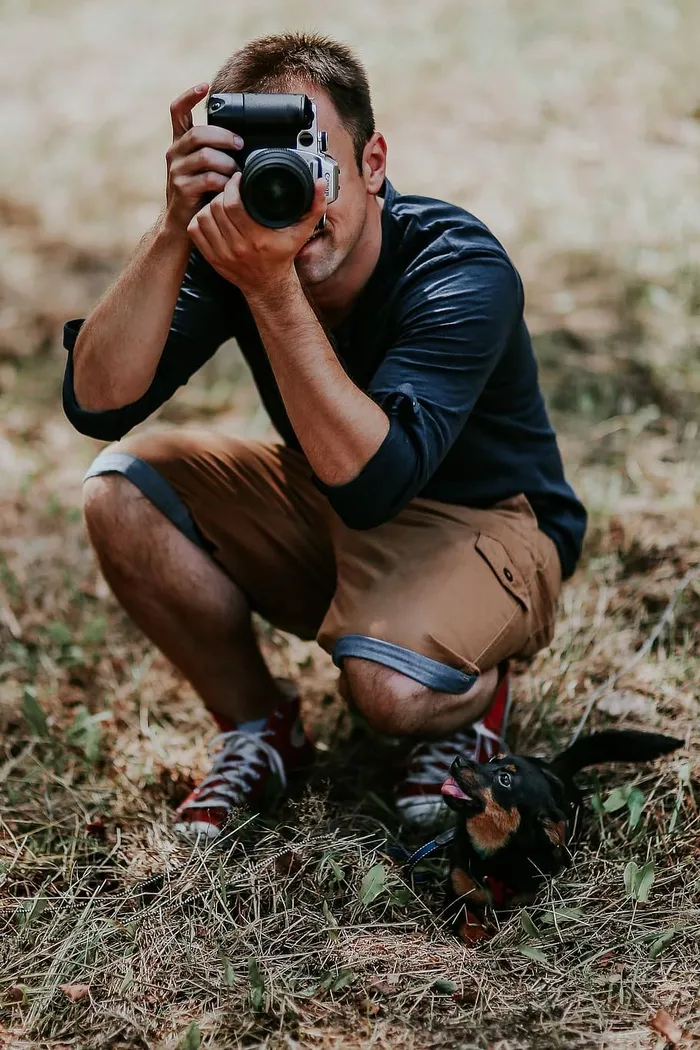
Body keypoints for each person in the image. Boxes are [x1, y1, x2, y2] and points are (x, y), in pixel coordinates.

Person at [62, 32, 587, 842]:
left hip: (488, 521)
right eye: (261, 168)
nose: (291, 194)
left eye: (312, 160)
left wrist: (269, 285)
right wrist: (173, 228)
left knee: (387, 693)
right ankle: (260, 727)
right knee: (119, 490)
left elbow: (382, 480)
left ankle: (478, 688)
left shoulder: (457, 267)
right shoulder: (237, 244)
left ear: (373, 162)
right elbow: (95, 401)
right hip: (335, 492)